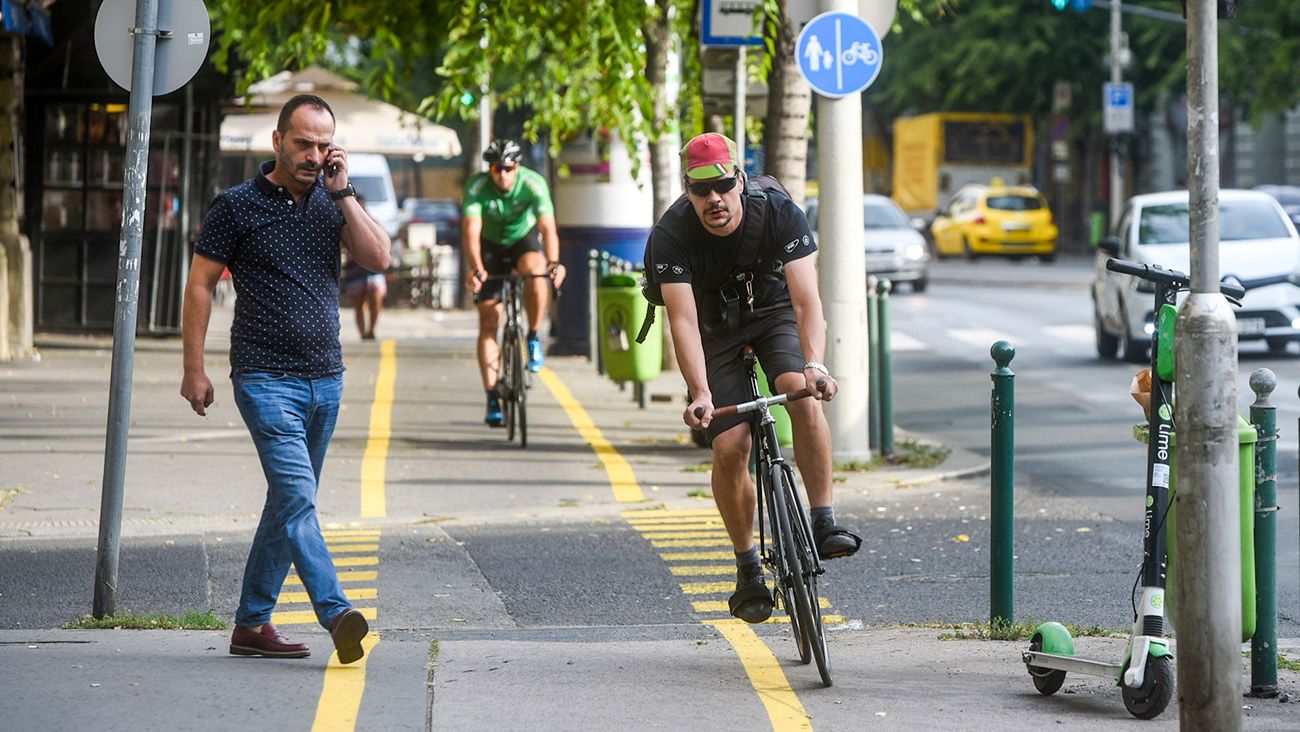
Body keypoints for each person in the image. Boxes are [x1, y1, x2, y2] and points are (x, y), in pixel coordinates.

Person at [179, 94, 391, 664]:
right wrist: (193, 367)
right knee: (299, 500)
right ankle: (337, 611)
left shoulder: (335, 200)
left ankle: (251, 625)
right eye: (303, 144)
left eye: (324, 145)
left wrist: (344, 192)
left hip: (328, 379)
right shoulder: (236, 206)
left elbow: (378, 260)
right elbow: (200, 284)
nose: (314, 155)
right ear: (277, 142)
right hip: (264, 377)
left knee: (286, 501)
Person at [647, 132, 862, 624]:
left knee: (802, 394)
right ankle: (747, 570)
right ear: (687, 191)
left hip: (773, 314)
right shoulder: (672, 234)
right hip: (713, 331)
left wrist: (817, 366)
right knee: (730, 446)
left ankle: (823, 520)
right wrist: (700, 393)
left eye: (723, 185)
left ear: (739, 180)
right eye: (701, 191)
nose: (714, 199)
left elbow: (807, 300)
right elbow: (681, 320)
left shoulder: (780, 214)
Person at [461, 138, 566, 426]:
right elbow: (471, 230)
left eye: (508, 168)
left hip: (522, 239)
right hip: (489, 246)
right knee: (489, 321)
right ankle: (492, 395)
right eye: (496, 168)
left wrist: (554, 263)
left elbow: (548, 227)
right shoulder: (477, 187)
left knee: (536, 269)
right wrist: (477, 269)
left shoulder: (533, 184)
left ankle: (532, 335)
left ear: (517, 167)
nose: (502, 174)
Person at [342, 194, 387, 340]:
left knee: (376, 296)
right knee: (358, 303)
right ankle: (362, 333)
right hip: (354, 270)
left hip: (372, 270)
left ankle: (372, 329)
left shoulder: (371, 222)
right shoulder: (343, 222)